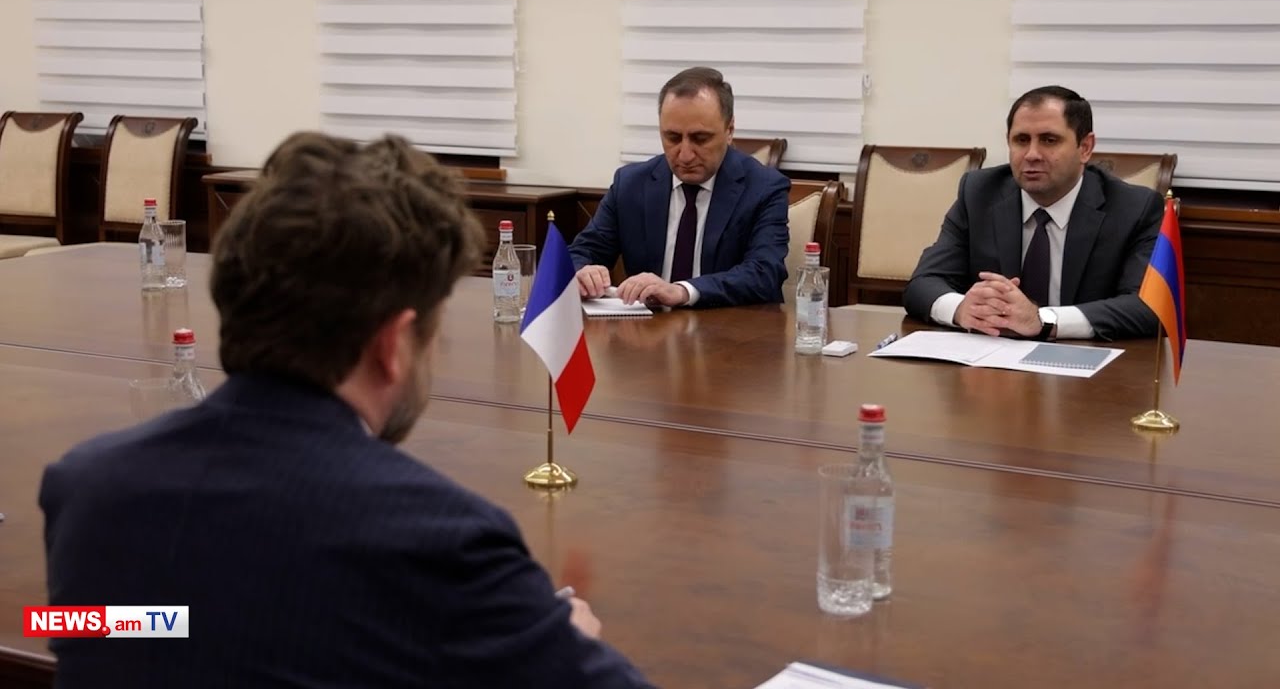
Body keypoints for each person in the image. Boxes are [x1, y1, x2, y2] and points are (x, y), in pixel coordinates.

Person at [39, 133, 653, 688]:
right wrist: (560, 643)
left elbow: (138, 627)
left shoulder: (87, 489)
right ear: (392, 345)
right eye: (433, 332)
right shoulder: (442, 541)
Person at [903, 85, 1162, 341]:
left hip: (1084, 359)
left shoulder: (1134, 208)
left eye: (1049, 140)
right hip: (991, 358)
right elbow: (923, 283)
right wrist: (962, 309)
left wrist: (1043, 321)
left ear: (1085, 147)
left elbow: (1147, 307)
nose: (1032, 155)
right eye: (1021, 140)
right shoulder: (979, 193)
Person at [569, 66, 790, 308]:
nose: (685, 155)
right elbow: (582, 252)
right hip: (647, 328)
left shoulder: (764, 188)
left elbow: (764, 273)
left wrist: (683, 291)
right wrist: (582, 272)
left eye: (700, 139)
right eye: (672, 137)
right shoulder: (631, 184)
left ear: (729, 130)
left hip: (730, 326)